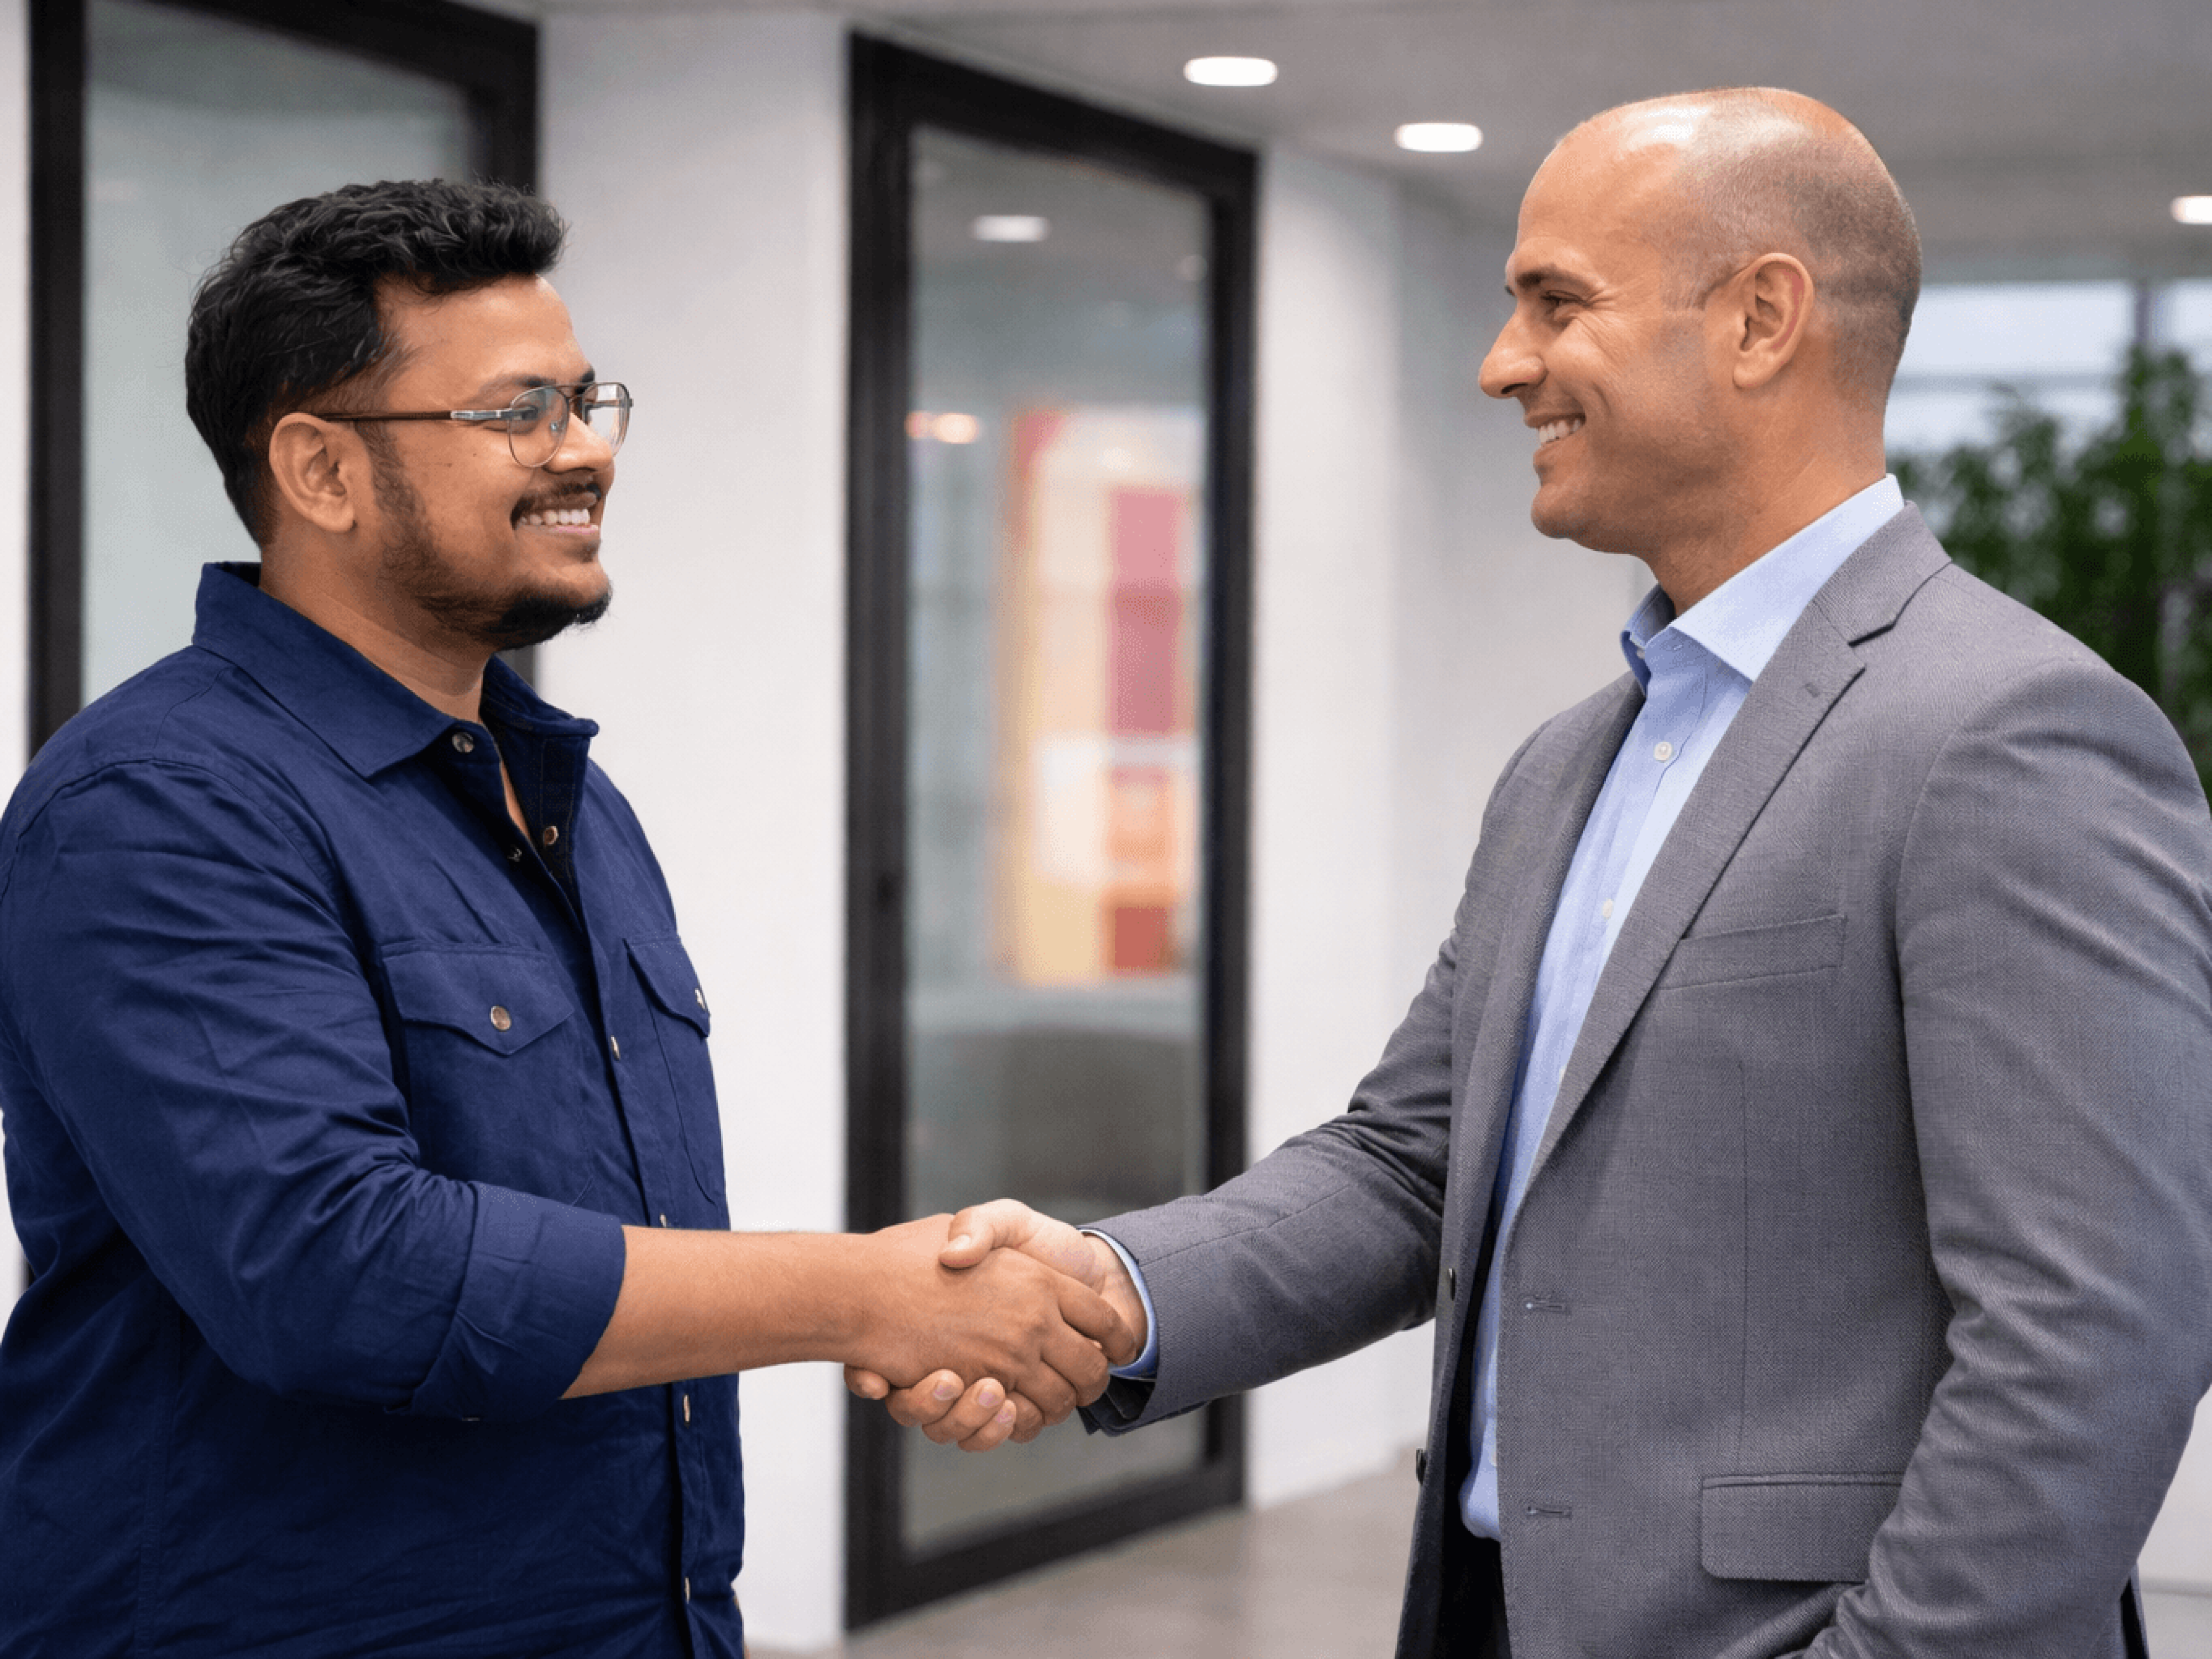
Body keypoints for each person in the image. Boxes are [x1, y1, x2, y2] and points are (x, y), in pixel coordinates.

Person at [852, 89, 2212, 1657]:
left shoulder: (2011, 733)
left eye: (1555, 303)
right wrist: (1110, 1291)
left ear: (1764, 318)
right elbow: (1408, 1167)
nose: (1503, 363)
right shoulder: (1570, 763)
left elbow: (2095, 1334)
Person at [0, 178, 1131, 1659]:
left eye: (588, 400)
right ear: (320, 471)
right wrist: (870, 1297)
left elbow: (617, 1262)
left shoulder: (571, 808)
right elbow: (339, 1274)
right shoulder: (158, 803)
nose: (584, 449)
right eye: (516, 413)